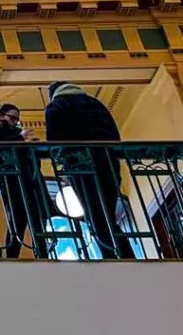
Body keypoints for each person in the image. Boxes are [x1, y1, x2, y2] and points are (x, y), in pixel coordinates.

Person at [45, 82, 135, 259]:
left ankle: (117, 259)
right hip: (108, 162)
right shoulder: (96, 103)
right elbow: (114, 134)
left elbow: (55, 140)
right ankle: (124, 257)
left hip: (81, 166)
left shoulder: (56, 106)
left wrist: (60, 158)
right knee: (106, 214)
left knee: (96, 217)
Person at [0, 103, 52, 259]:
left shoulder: (14, 132)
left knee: (38, 215)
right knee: (17, 218)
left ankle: (42, 253)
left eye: (17, 119)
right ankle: (12, 256)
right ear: (1, 115)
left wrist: (31, 148)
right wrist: (20, 139)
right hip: (11, 179)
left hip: (29, 177)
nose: (16, 122)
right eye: (13, 118)